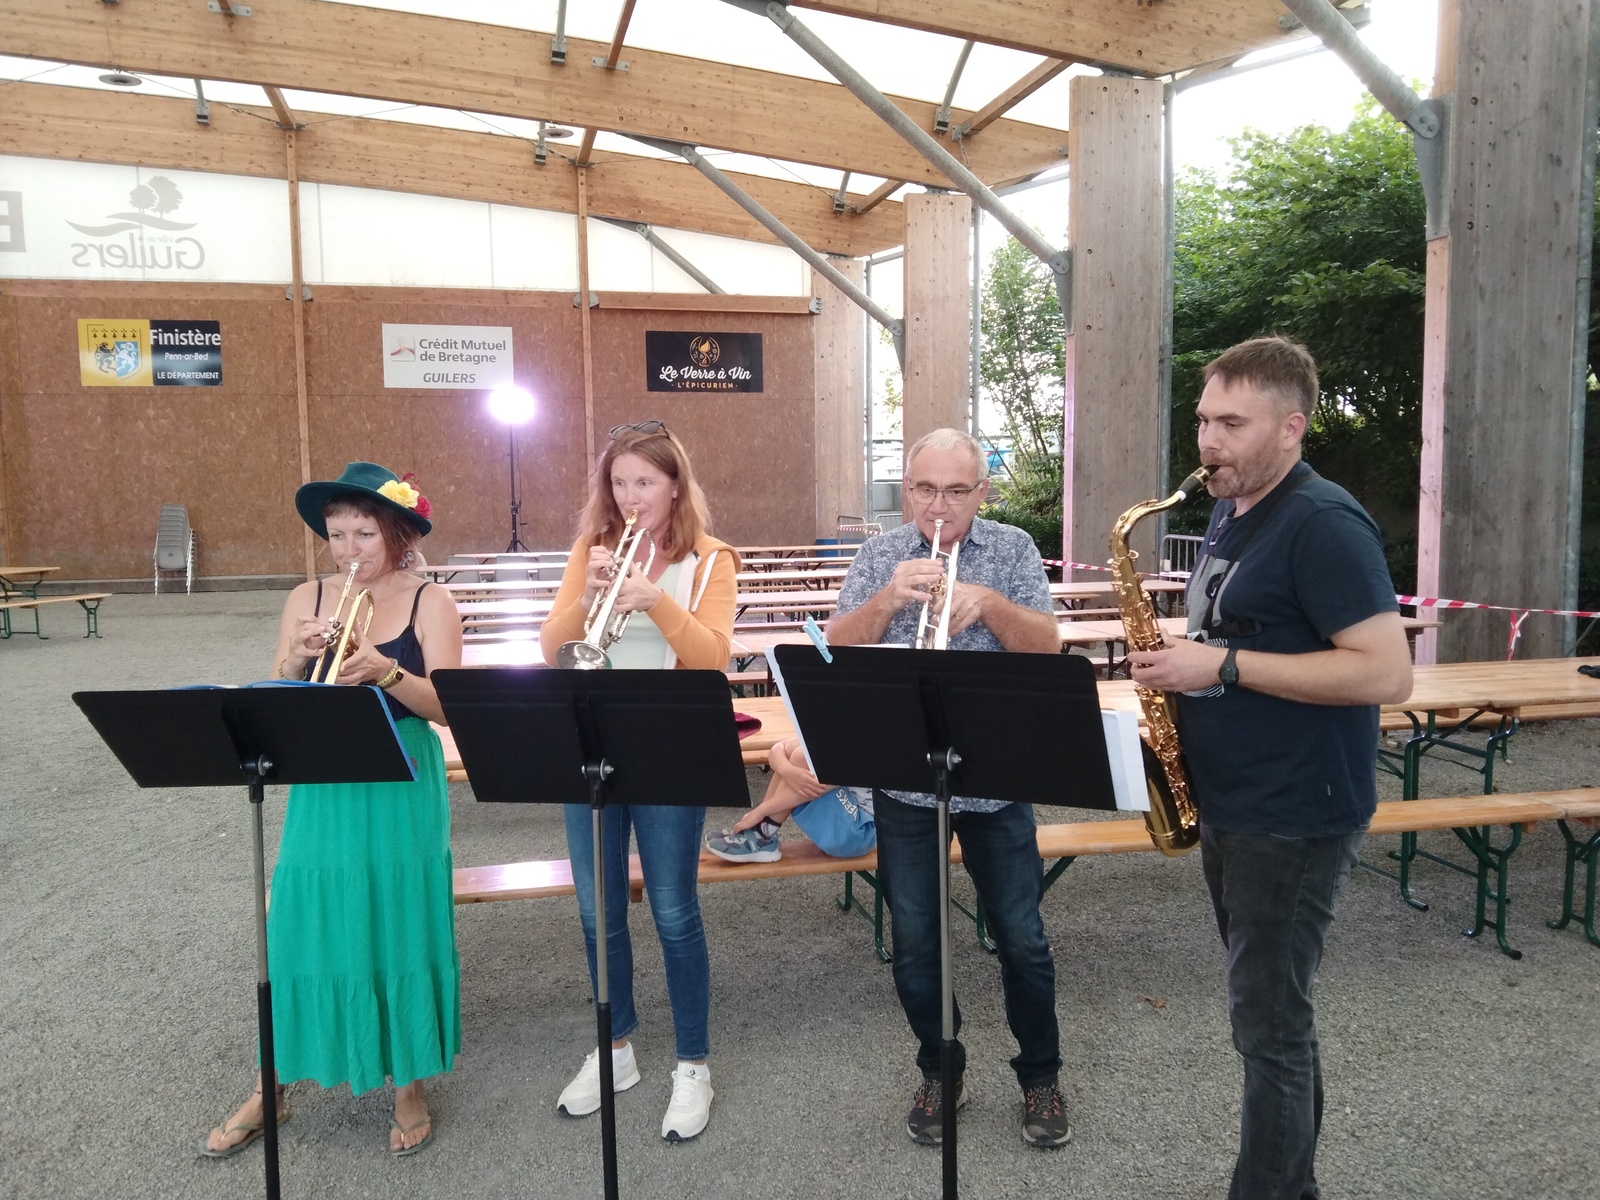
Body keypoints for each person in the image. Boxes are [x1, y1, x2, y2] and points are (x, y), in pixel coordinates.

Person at [1127, 337, 1412, 1200]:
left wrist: (1220, 665)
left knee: (1269, 1029)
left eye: (1231, 423)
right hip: (1235, 799)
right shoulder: (1234, 505)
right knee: (1272, 1016)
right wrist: (1187, 667)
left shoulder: (1322, 523)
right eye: (1202, 420)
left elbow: (1385, 673)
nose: (1208, 441)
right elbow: (1245, 630)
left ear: (1291, 428)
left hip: (1292, 813)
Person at [203, 461, 463, 1158]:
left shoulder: (431, 601)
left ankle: (408, 1082)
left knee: (399, 919)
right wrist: (294, 657)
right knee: (302, 921)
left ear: (398, 535)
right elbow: (276, 690)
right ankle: (274, 1081)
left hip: (402, 772)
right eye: (337, 534)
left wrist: (387, 670)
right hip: (322, 775)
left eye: (364, 534)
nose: (348, 549)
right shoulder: (307, 596)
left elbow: (449, 708)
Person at [826, 426, 1071, 1149]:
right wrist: (887, 602)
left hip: (995, 778)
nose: (939, 506)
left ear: (981, 492)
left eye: (956, 490)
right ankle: (941, 1068)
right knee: (915, 945)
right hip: (906, 781)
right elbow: (836, 646)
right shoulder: (880, 555)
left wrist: (990, 605)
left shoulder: (1013, 549)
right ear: (908, 491)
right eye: (926, 489)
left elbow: (1049, 646)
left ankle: (1041, 1077)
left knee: (1022, 939)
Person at [539, 420, 738, 1142]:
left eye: (645, 482)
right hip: (591, 742)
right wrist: (588, 595)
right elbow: (553, 647)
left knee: (674, 911)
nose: (630, 497)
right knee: (598, 911)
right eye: (619, 482)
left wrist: (654, 599)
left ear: (675, 486)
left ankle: (693, 1064)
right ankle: (615, 1048)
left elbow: (712, 656)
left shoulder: (711, 559)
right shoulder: (589, 550)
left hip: (669, 746)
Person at [703, 737, 875, 863]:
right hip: (845, 821)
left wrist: (760, 811)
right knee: (796, 753)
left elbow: (815, 789)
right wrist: (787, 771)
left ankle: (763, 833)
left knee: (801, 757)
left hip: (859, 833)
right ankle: (761, 831)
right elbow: (778, 748)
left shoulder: (868, 739)